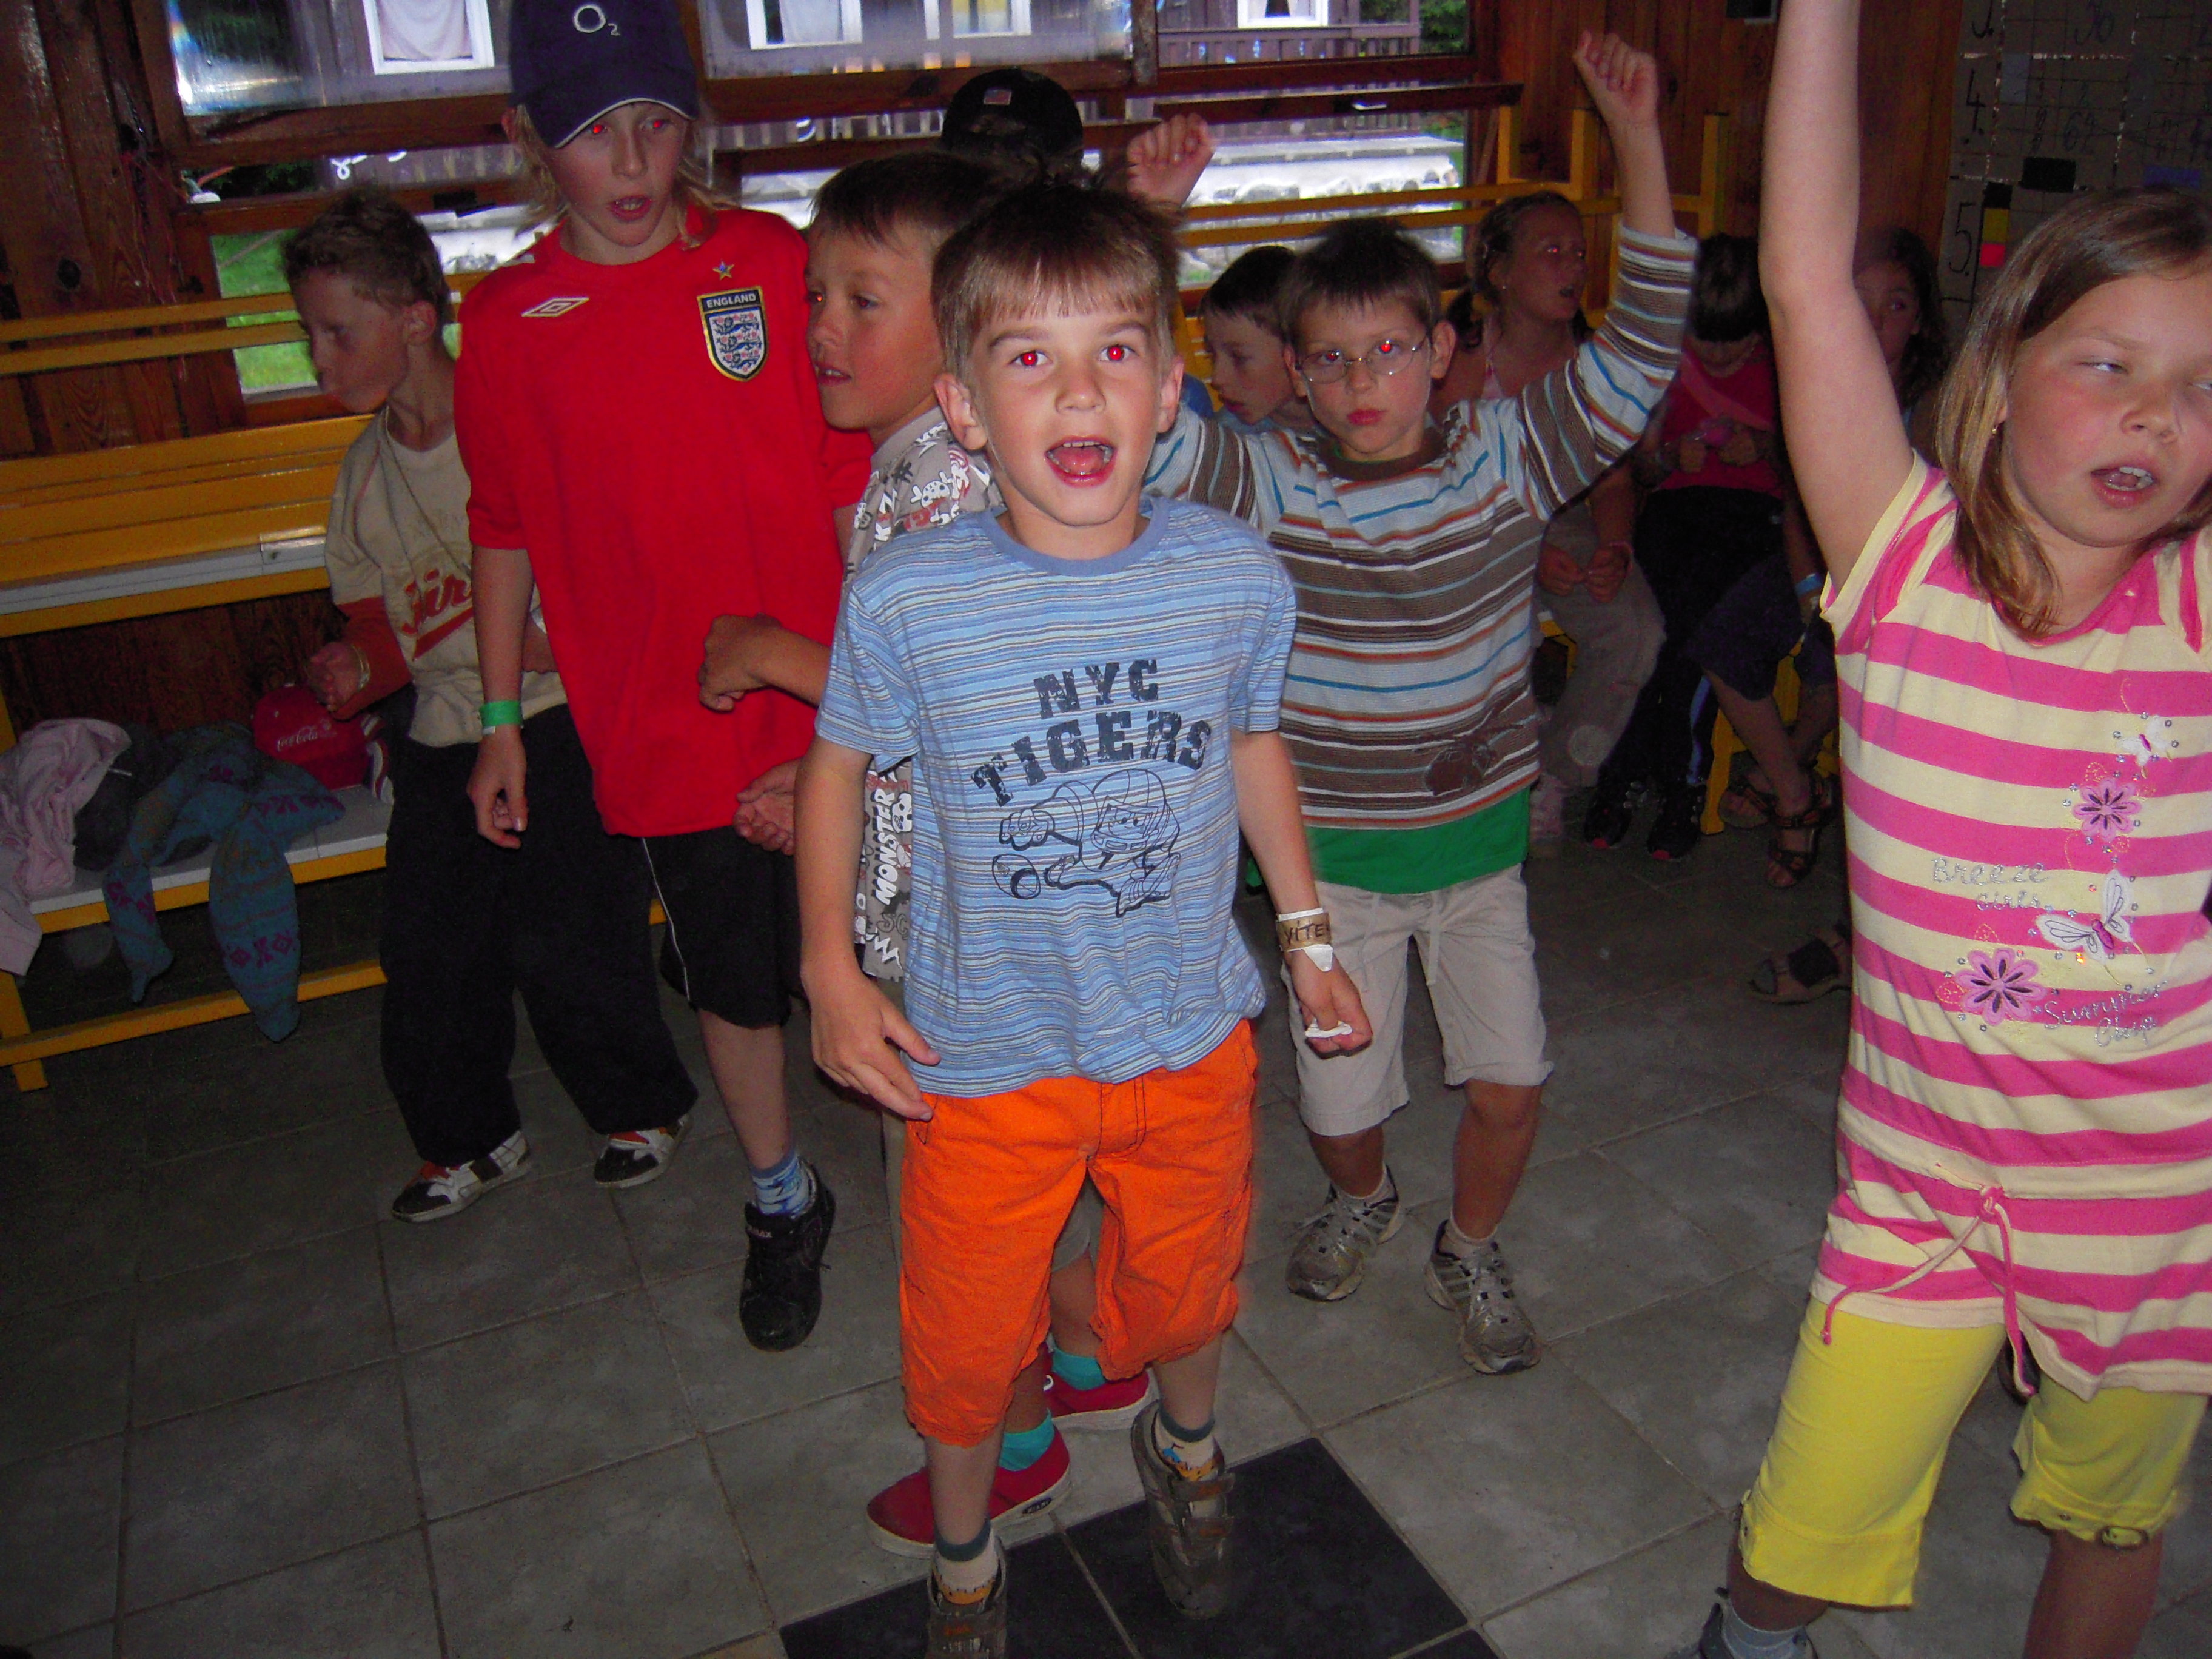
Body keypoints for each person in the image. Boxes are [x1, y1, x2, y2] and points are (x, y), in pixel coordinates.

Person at [1671, 2, 2212, 1655]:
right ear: (2001, 374)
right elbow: (1805, 278)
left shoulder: (2195, 609)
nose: (2154, 417)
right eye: (2109, 366)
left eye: (2202, 390)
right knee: (1801, 1532)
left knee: (2110, 1520)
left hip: (2160, 1191)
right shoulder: (1900, 561)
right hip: (1921, 1190)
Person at [794, 181, 1372, 1659]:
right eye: (1028, 358)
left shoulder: (1232, 575)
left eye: (1115, 351)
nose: (1077, 392)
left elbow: (1255, 746)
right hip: (984, 1057)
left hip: (1185, 1031)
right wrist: (831, 972)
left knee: (1184, 1290)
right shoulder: (910, 597)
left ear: (1168, 390)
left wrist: (1308, 938)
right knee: (965, 1336)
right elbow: (837, 765)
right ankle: (966, 1564)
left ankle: (1188, 1451)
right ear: (964, 407)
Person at [1145, 33, 1691, 1373]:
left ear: (1441, 351)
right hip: (1330, 874)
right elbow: (1146, 413)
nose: (1360, 385)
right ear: (1300, 373)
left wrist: (1637, 139)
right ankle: (1368, 1197)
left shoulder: (1508, 452)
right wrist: (1150, 222)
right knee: (1340, 1111)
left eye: (1388, 351)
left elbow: (1640, 347)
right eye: (1329, 360)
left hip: (1478, 858)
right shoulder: (1273, 477)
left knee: (1511, 1084)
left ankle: (1469, 1242)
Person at [693, 146, 1158, 1558]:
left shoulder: (935, 482)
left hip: (950, 946)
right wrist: (824, 775)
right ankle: (1091, 1353)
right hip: (1014, 910)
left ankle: (1012, 1442)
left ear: (959, 325)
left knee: (960, 1221)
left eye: (861, 298)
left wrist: (771, 654)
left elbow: (947, 695)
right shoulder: (949, 464)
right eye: (814, 295)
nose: (821, 328)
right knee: (1045, 1169)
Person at [457, 0, 870, 1350]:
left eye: (655, 122)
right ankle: (780, 1194)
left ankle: (961, 1166)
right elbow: (503, 523)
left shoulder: (768, 261)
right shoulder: (508, 321)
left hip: (831, 697)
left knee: (885, 955)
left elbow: (852, 480)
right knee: (734, 981)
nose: (632, 162)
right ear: (528, 139)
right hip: (663, 724)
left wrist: (870, 684)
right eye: (592, 132)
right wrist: (502, 719)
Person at [286, 188, 697, 1222]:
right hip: (442, 733)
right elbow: (385, 630)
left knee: (567, 933)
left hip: (557, 714)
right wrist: (357, 668)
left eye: (337, 333)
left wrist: (565, 644)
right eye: (309, 337)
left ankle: (637, 1106)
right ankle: (471, 1139)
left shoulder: (511, 425)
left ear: (415, 320)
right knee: (427, 951)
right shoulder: (362, 479)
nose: (319, 360)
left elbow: (623, 577)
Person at [1749, 226, 1949, 996]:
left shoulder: (1938, 408)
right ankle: (1795, 787)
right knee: (1737, 635)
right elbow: (1801, 508)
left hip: (1915, 601)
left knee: (1891, 722)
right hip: (1829, 581)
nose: (1874, 319)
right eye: (1858, 301)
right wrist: (1813, 593)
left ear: (1920, 320)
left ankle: (1855, 927)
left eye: (1895, 304)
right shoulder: (1817, 391)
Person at [1436, 191, 1664, 852]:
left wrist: (1616, 546)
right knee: (1488, 629)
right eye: (1551, 252)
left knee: (1638, 629)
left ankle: (1555, 772)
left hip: (1565, 521)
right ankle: (1471, 771)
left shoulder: (1594, 363)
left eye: (1579, 253)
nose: (1573, 267)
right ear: (1500, 271)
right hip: (1474, 527)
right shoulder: (1466, 357)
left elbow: (1613, 481)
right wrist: (1526, 553)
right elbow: (1446, 480)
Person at [1582, 233, 1809, 863]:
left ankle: (1681, 783)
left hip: (1752, 521)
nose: (1721, 354)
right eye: (1707, 340)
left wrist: (1763, 448)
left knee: (1691, 642)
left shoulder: (1783, 370)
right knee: (1644, 634)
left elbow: (1811, 467)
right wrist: (1667, 459)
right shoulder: (1670, 368)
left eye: (1736, 340)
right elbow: (1641, 466)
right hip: (1677, 513)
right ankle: (1621, 773)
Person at [1196, 245, 1315, 436]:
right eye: (1211, 356)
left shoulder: (1355, 425)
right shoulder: (1226, 440)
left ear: (1299, 354)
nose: (1217, 378)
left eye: (1239, 358)